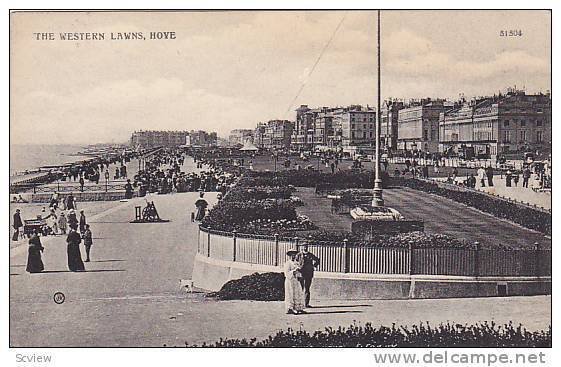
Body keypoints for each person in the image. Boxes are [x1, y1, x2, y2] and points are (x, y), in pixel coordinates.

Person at [295, 244, 320, 308]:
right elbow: (295, 262)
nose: (305, 247)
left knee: (307, 288)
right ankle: (299, 303)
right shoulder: (299, 255)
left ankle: (306, 304)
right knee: (300, 288)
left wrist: (314, 266)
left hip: (309, 273)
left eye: (306, 246)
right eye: (304, 246)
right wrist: (298, 267)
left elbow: (317, 260)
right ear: (302, 247)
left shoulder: (310, 255)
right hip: (301, 273)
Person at [284, 250, 305, 315]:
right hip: (290, 281)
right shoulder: (288, 263)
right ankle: (290, 308)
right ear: (289, 256)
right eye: (292, 255)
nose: (293, 256)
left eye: (294, 255)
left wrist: (299, 274)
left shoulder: (296, 263)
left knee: (297, 293)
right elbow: (286, 273)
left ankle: (298, 308)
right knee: (290, 294)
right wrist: (293, 271)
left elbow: (298, 272)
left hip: (295, 280)